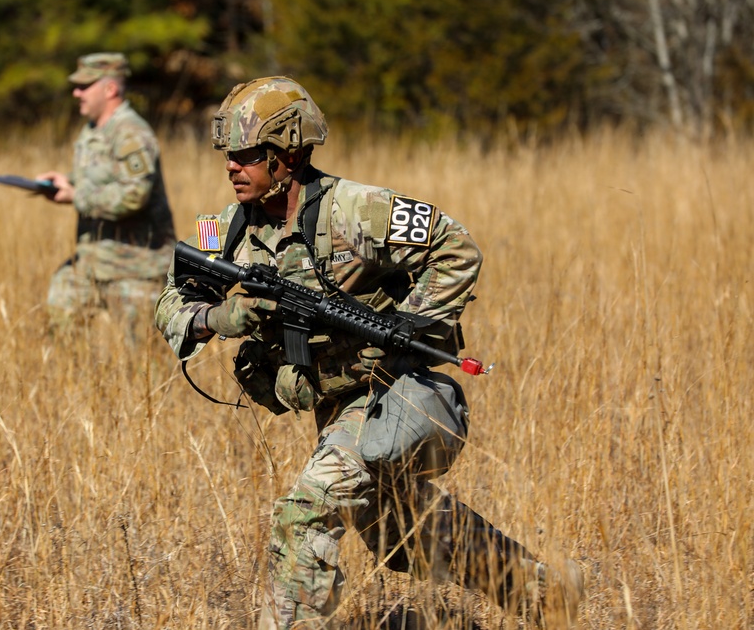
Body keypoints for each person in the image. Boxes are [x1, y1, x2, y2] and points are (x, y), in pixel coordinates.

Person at [154, 77, 584, 629]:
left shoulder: (358, 211)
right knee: (395, 527)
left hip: (399, 392)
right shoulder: (228, 228)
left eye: (246, 155)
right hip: (336, 409)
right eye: (228, 157)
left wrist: (404, 325)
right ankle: (544, 595)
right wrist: (220, 317)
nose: (233, 167)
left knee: (302, 514)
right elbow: (171, 297)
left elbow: (456, 248)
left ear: (287, 155)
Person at [37, 52, 176, 329]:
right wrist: (65, 182)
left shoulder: (131, 133)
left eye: (84, 86)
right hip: (93, 261)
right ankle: (70, 372)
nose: (76, 93)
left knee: (142, 362)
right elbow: (99, 177)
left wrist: (77, 196)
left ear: (110, 89)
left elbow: (134, 195)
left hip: (136, 267)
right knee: (60, 314)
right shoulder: (93, 130)